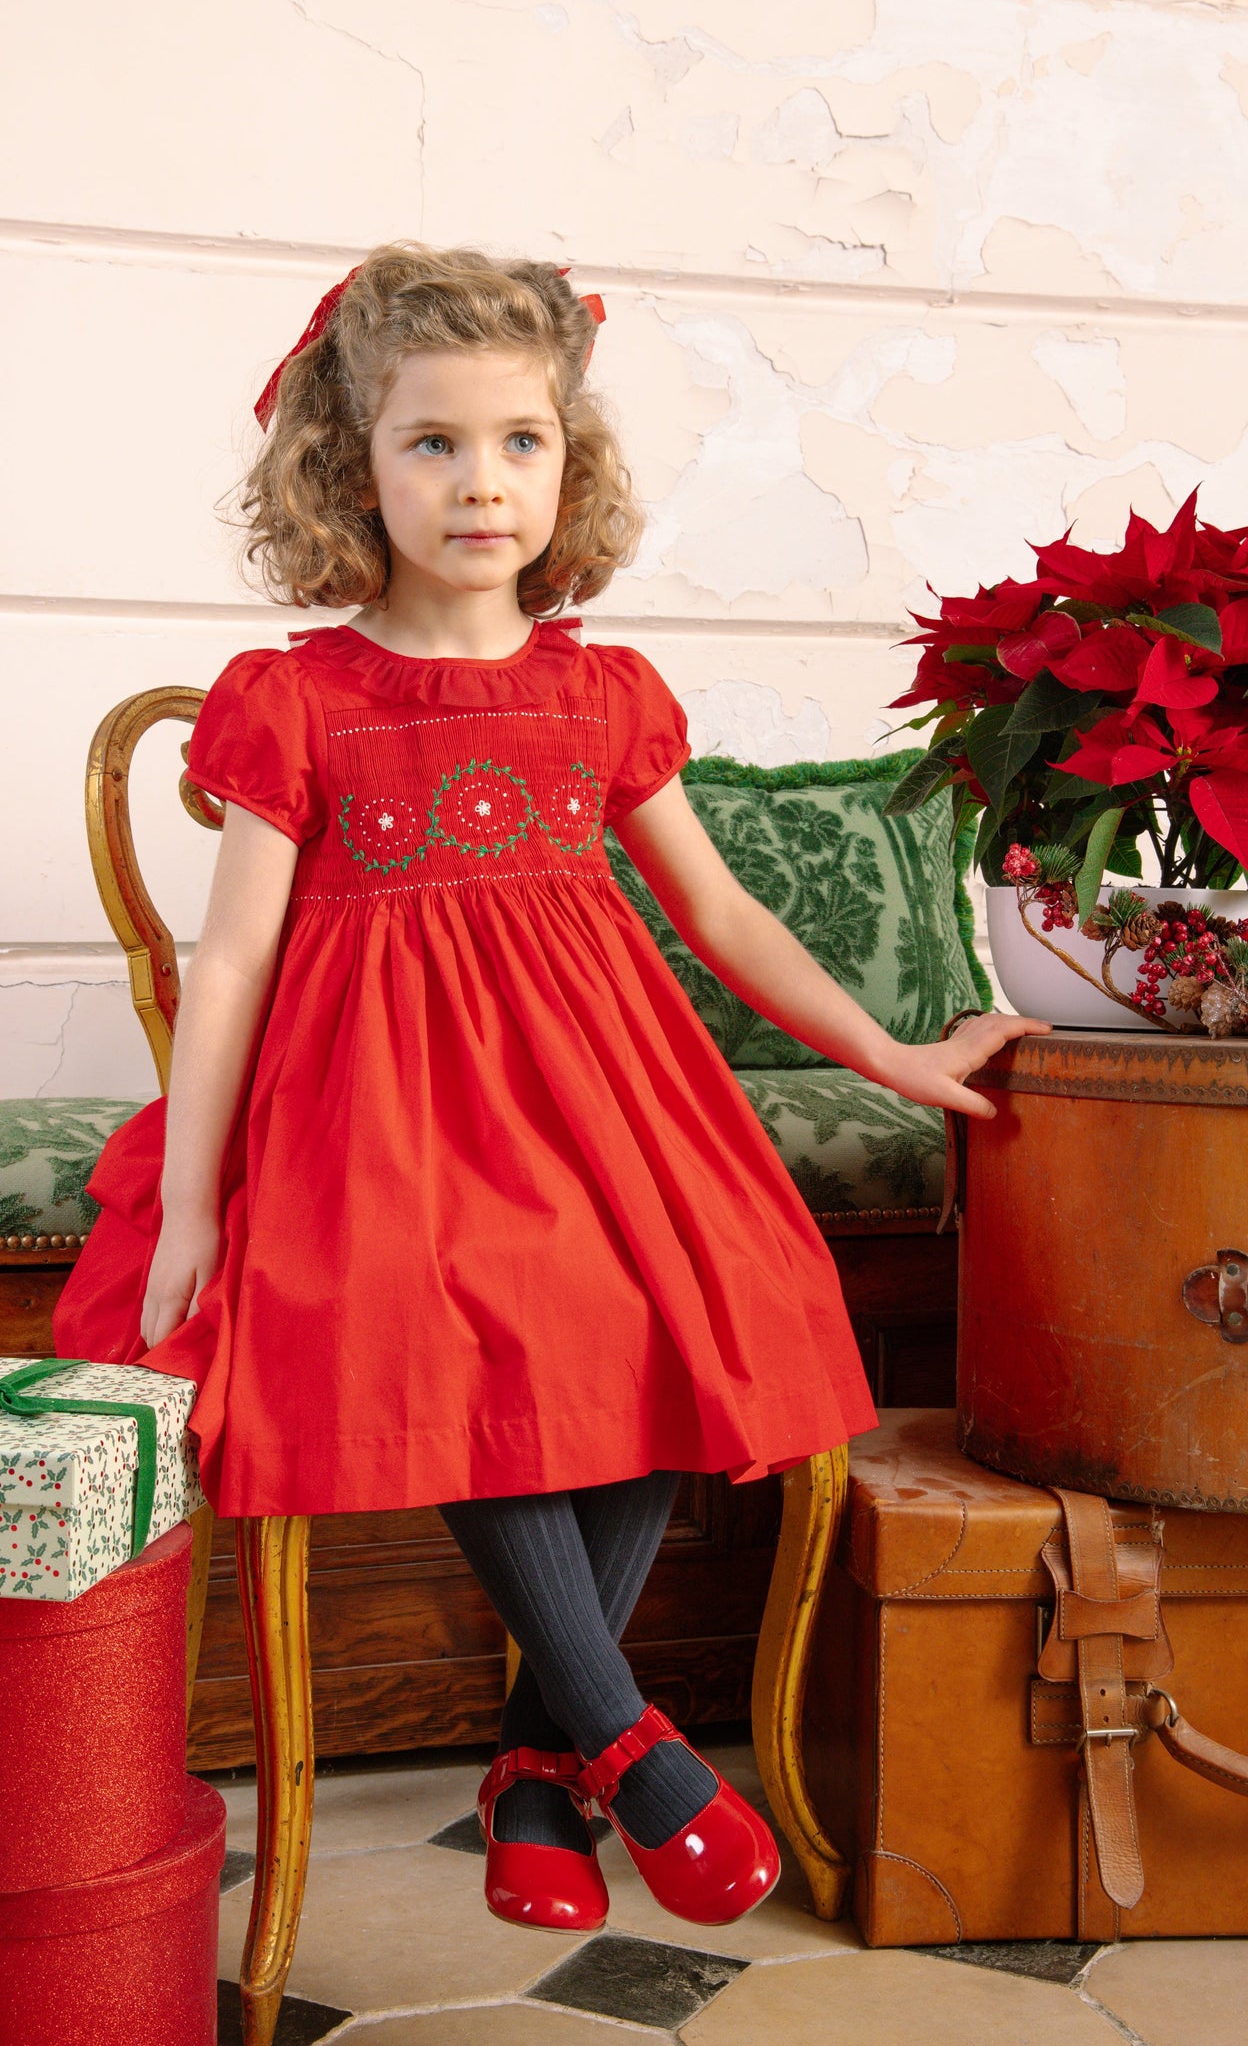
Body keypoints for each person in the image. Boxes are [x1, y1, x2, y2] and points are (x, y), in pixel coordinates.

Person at [54, 242, 1047, 1936]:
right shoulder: (297, 700)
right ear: (346, 462)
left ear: (569, 462)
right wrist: (198, 1202)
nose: (481, 482)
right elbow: (226, 966)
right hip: (378, 1130)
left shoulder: (600, 690)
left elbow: (721, 910)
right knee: (470, 1312)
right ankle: (629, 1746)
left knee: (669, 1291)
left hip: (598, 1104)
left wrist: (886, 1047)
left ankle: (536, 1762)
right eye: (431, 442)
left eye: (522, 441)